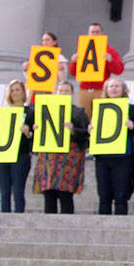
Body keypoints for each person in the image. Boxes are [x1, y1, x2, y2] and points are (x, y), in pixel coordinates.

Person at [92, 76, 134, 215]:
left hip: (123, 157)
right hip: (103, 157)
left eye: (117, 86)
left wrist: (133, 126)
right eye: (111, 86)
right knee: (103, 196)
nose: (114, 89)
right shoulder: (99, 109)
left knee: (121, 196)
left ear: (124, 90)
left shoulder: (132, 109)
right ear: (106, 90)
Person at [32, 80, 88, 214]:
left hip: (70, 156)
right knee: (49, 193)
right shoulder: (45, 109)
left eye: (67, 91)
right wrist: (36, 129)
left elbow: (86, 134)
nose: (63, 94)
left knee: (66, 194)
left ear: (72, 93)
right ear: (56, 93)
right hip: (49, 156)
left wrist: (73, 130)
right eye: (61, 91)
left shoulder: (78, 112)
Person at [0, 79, 32, 212]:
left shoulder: (30, 112)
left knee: (18, 192)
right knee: (4, 192)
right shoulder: (3, 112)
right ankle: (4, 218)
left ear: (23, 92)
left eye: (17, 90)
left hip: (21, 154)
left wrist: (29, 133)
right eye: (12, 90)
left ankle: (18, 217)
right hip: (3, 154)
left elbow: (35, 134)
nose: (14, 93)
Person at [68, 22, 124, 117]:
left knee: (100, 118)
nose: (94, 34)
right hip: (84, 90)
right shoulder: (82, 49)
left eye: (97, 32)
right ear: (88, 34)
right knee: (83, 118)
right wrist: (73, 62)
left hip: (101, 89)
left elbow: (119, 70)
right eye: (92, 32)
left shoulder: (109, 50)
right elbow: (73, 73)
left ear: (102, 34)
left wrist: (111, 60)